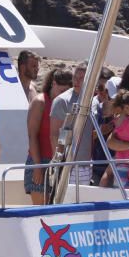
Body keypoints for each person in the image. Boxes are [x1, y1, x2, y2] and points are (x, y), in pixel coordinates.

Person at [26, 68, 73, 205]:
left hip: (60, 160)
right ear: (53, 84)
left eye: (66, 91)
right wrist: (38, 166)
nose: (63, 95)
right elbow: (32, 135)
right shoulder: (40, 102)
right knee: (40, 207)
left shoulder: (67, 103)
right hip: (40, 159)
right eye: (61, 91)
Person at [49, 62, 93, 186]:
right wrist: (59, 163)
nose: (77, 81)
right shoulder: (62, 101)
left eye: (81, 78)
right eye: (75, 77)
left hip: (86, 164)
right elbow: (53, 135)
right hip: (67, 164)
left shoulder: (92, 101)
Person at [100, 89, 129, 188]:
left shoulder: (117, 120)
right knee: (126, 187)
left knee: (118, 187)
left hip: (119, 159)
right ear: (126, 107)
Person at [90, 68, 116, 185]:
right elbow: (84, 137)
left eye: (106, 89)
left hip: (114, 164)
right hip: (95, 165)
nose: (102, 92)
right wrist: (100, 131)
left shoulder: (122, 109)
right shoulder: (91, 107)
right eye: (99, 88)